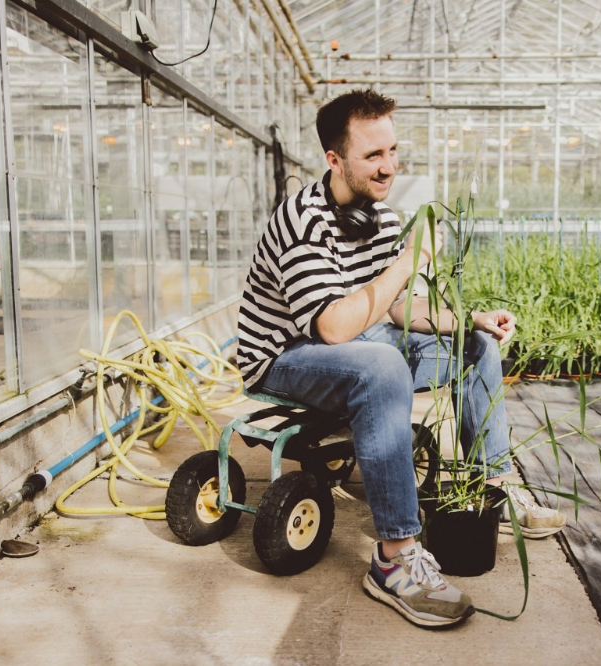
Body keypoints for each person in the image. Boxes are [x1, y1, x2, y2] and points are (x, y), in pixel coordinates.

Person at [236, 88, 565, 628]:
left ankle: (498, 489)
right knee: (382, 366)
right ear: (334, 160)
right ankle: (394, 560)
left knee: (473, 348)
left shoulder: (381, 219)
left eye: (392, 151)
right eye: (373, 155)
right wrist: (410, 260)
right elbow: (333, 327)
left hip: (354, 345)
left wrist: (471, 320)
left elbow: (394, 309)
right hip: (285, 356)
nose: (389, 167)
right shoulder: (302, 219)